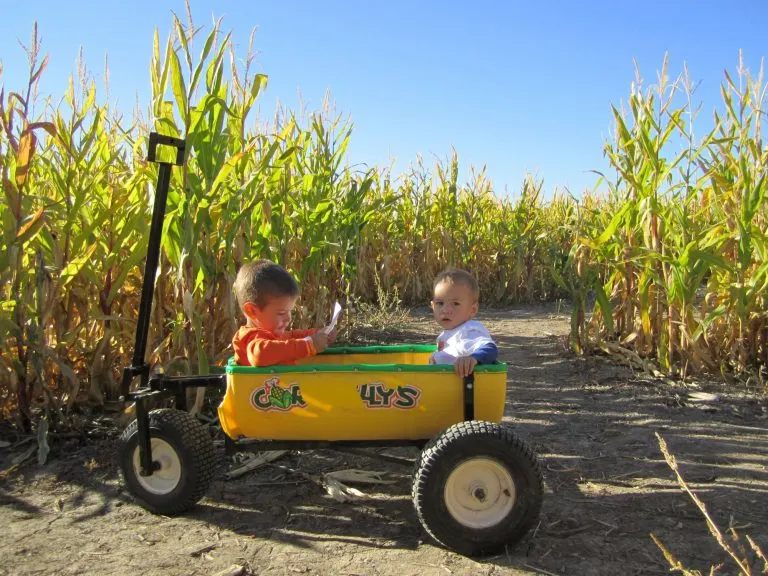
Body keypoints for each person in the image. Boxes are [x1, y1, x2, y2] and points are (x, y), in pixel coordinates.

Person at [232, 260, 337, 366]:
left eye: (290, 311)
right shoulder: (252, 338)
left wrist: (317, 333)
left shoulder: (271, 333)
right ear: (252, 311)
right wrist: (309, 345)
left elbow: (291, 336)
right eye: (281, 313)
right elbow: (260, 354)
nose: (288, 318)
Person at [429, 267, 498, 377]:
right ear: (433, 306)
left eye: (455, 304)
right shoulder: (450, 332)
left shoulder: (468, 331)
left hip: (459, 389)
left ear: (473, 309)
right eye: (440, 303)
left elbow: (490, 348)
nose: (445, 310)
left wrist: (473, 359)